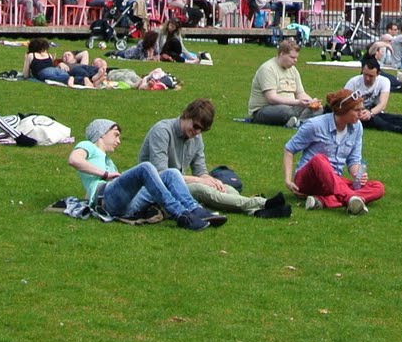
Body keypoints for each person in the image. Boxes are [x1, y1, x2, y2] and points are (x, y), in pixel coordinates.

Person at [139, 98, 289, 217]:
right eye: (196, 126)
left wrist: (211, 180)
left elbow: (200, 170)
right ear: (186, 115)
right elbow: (161, 175)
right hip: (154, 188)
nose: (197, 132)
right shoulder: (162, 131)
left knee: (225, 188)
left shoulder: (196, 137)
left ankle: (256, 211)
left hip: (180, 184)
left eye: (202, 130)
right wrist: (201, 180)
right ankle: (262, 203)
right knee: (201, 189)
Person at [69, 118, 224, 228]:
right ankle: (181, 214)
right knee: (146, 167)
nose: (119, 140)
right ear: (101, 133)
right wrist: (105, 174)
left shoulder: (109, 161)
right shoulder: (88, 145)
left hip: (126, 208)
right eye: (115, 134)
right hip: (105, 198)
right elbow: (74, 160)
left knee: (171, 173)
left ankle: (194, 209)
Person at [284, 89, 382, 212]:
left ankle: (321, 201)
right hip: (308, 180)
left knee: (377, 187)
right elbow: (289, 149)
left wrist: (358, 175)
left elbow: (353, 160)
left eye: (362, 109)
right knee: (319, 159)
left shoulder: (357, 127)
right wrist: (288, 180)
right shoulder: (315, 125)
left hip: (334, 181)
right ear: (343, 110)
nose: (361, 113)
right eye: (357, 110)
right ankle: (350, 198)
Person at [247, 39, 320, 126]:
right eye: (292, 57)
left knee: (318, 110)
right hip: (265, 109)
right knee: (287, 112)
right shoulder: (268, 69)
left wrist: (312, 102)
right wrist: (297, 102)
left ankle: (297, 121)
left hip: (291, 106)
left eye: (296, 58)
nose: (295, 60)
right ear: (282, 54)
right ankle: (301, 120)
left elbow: (300, 93)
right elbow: (272, 98)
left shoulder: (293, 70)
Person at [344, 57, 402, 133]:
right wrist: (358, 112)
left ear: (378, 74)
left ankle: (392, 125)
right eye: (365, 75)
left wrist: (370, 113)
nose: (367, 78)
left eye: (371, 76)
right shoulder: (353, 82)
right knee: (374, 120)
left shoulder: (384, 81)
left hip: (374, 112)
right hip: (356, 113)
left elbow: (382, 104)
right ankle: (395, 129)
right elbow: (344, 103)